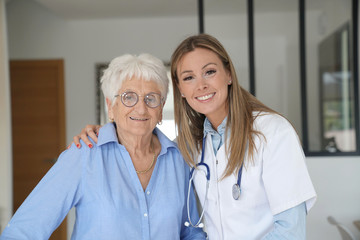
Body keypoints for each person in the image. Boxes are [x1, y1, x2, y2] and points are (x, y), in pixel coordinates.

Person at [73, 34, 317, 239]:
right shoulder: (191, 146)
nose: (201, 86)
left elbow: (291, 231)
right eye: (189, 77)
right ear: (180, 89)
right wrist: (107, 131)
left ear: (229, 74)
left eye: (209, 72)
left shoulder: (272, 132)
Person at [0, 54, 206, 240]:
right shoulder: (84, 155)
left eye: (151, 98)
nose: (141, 108)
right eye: (129, 97)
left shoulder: (178, 160)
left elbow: (190, 232)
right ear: (110, 106)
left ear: (161, 110)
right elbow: (24, 230)